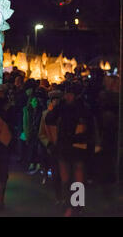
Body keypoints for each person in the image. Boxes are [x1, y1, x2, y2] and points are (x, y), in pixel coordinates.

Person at [45, 83, 91, 217]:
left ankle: (75, 206)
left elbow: (49, 119)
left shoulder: (72, 107)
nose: (67, 96)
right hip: (68, 145)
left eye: (70, 94)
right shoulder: (78, 107)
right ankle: (72, 205)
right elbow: (49, 119)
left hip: (75, 145)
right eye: (67, 94)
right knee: (68, 177)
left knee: (76, 176)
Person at [39, 90, 63, 203]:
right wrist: (48, 144)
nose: (57, 102)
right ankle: (59, 196)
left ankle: (71, 200)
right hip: (53, 147)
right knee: (56, 174)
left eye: (58, 99)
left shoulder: (65, 113)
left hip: (66, 147)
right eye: (55, 100)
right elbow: (42, 133)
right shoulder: (46, 115)